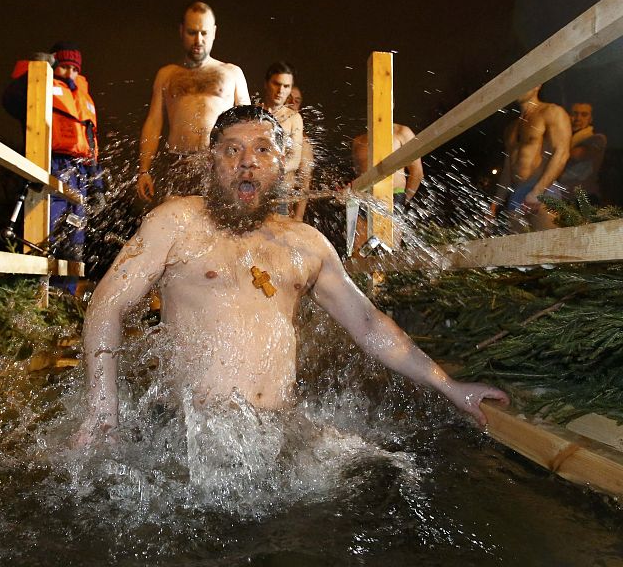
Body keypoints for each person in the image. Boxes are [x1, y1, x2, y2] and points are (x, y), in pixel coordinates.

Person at [75, 105, 508, 446]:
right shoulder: (176, 222)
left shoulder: (305, 243)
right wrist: (102, 412)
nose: (247, 162)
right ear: (212, 162)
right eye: (232, 150)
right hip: (190, 438)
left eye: (263, 150)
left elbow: (369, 324)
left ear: (282, 163)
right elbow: (107, 305)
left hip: (278, 436)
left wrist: (450, 387)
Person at [135, 1, 250, 203]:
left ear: (214, 33)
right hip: (177, 162)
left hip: (219, 164)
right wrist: (144, 170)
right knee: (175, 219)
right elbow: (153, 123)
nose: (198, 40)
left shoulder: (232, 73)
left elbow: (248, 126)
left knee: (217, 220)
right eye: (192, 32)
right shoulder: (167, 75)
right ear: (181, 31)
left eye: (204, 33)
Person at [2, 41, 103, 262]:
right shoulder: (40, 86)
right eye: (65, 66)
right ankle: (41, 281)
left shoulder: (84, 99)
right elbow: (10, 100)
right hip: (50, 164)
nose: (70, 73)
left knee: (75, 238)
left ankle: (68, 284)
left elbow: (90, 145)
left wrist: (97, 186)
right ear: (55, 65)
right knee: (48, 232)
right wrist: (34, 71)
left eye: (75, 69)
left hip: (80, 174)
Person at [494, 85, 571, 232]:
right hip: (516, 193)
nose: (518, 86)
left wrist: (538, 191)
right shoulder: (511, 128)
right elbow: (507, 171)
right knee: (519, 246)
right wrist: (494, 205)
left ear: (537, 84)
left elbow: (562, 153)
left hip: (543, 188)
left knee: (550, 244)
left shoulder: (551, 112)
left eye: (523, 82)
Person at [351, 123, 424, 252]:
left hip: (394, 197)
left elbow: (417, 173)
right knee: (360, 254)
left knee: (388, 253)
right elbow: (357, 177)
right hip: (364, 198)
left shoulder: (402, 132)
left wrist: (402, 200)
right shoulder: (358, 141)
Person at [259, 61, 303, 216]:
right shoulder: (253, 112)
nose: (281, 91)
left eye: (286, 86)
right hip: (252, 184)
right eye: (277, 84)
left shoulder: (293, 118)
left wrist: (273, 170)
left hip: (279, 189)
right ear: (266, 84)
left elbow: (295, 159)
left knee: (278, 227)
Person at [558, 102, 606, 204]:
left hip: (584, 198)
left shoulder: (597, 138)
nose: (578, 118)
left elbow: (576, 155)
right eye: (574, 114)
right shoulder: (566, 137)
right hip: (563, 197)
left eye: (584, 115)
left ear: (590, 119)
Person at [286, 85, 315, 221]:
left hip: (283, 208)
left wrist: (298, 218)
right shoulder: (263, 129)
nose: (292, 102)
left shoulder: (303, 142)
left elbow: (305, 184)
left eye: (297, 101)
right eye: (289, 97)